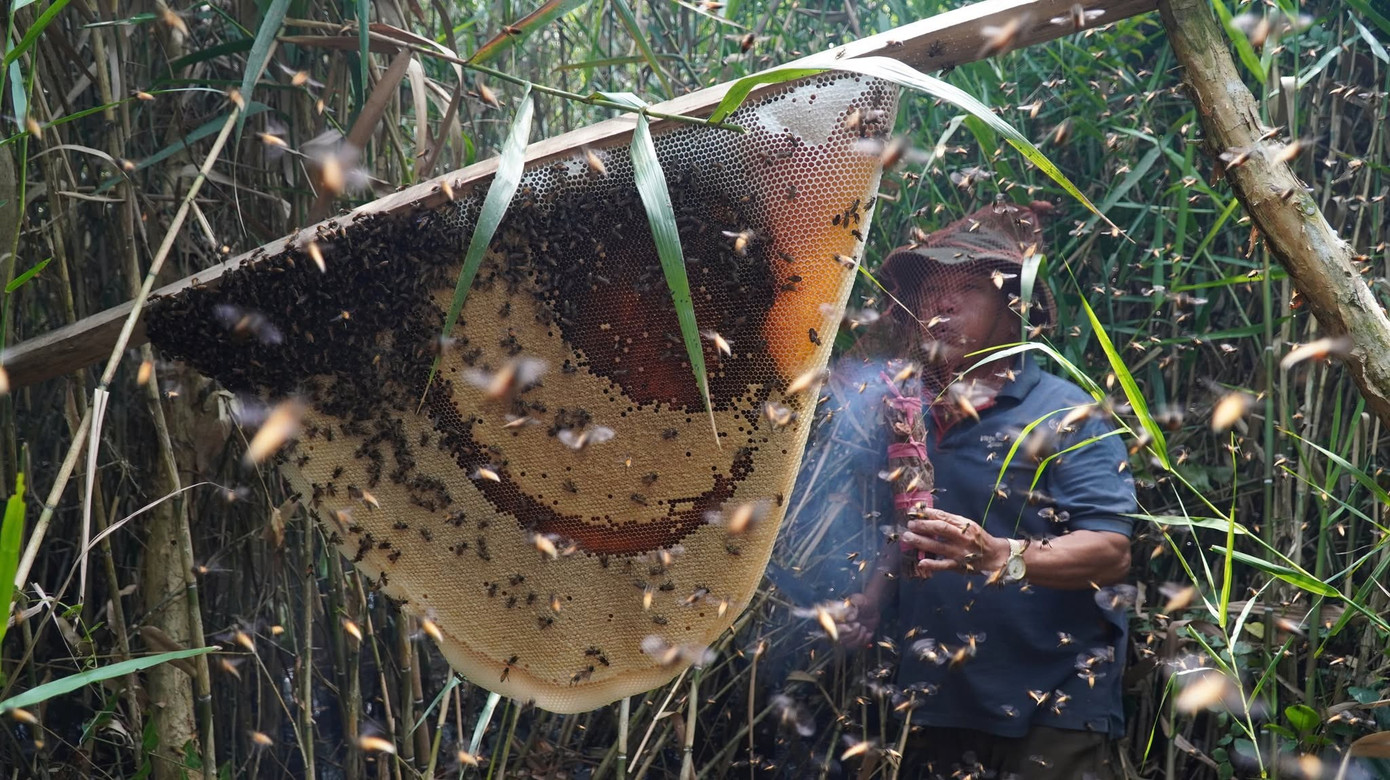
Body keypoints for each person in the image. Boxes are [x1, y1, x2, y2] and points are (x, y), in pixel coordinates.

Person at [836, 201, 1137, 780]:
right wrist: (872, 600)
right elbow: (921, 527)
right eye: (931, 290)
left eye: (970, 286)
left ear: (1014, 310)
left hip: (1054, 710)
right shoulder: (910, 414)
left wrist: (1002, 556)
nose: (942, 304)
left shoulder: (1065, 415)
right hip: (935, 704)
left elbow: (1112, 550)